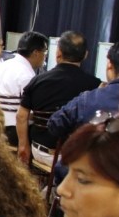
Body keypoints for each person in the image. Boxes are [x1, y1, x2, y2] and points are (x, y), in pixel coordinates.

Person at [16, 30, 101, 165]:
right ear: (85, 55)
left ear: (58, 53)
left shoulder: (37, 80)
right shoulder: (95, 85)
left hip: (40, 152)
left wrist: (23, 145)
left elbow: (21, 116)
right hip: (74, 156)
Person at [0, 31, 49, 145]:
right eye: (45, 52)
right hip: (14, 132)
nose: (45, 56)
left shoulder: (1, 65)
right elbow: (26, 114)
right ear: (36, 53)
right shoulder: (26, 75)